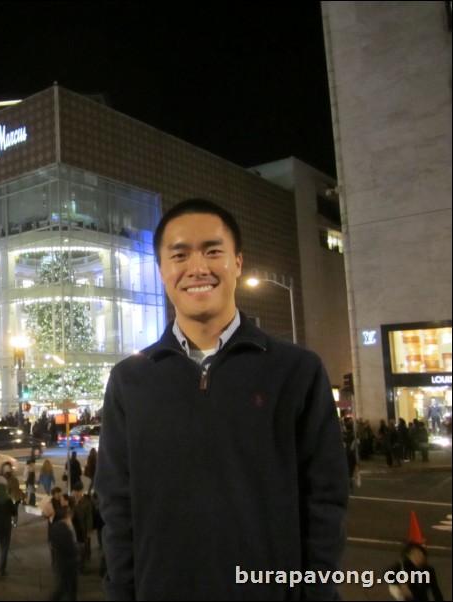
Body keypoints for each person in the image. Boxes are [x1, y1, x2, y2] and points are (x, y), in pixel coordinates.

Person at [95, 198, 349, 600]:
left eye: (213, 251)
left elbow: (325, 501)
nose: (197, 268)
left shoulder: (297, 371)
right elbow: (116, 505)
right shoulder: (130, 380)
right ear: (162, 271)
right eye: (179, 255)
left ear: (237, 263)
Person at [49, 496, 79, 601]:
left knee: (64, 588)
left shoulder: (57, 526)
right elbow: (69, 547)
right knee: (65, 589)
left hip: (62, 562)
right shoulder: (63, 528)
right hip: (67, 563)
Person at [71, 481, 94, 573]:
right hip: (74, 528)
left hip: (83, 528)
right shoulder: (71, 501)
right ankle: (78, 563)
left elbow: (89, 517)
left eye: (78, 491)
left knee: (84, 547)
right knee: (76, 547)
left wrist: (89, 530)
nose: (76, 493)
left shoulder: (86, 502)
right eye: (75, 491)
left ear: (82, 491)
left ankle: (83, 564)